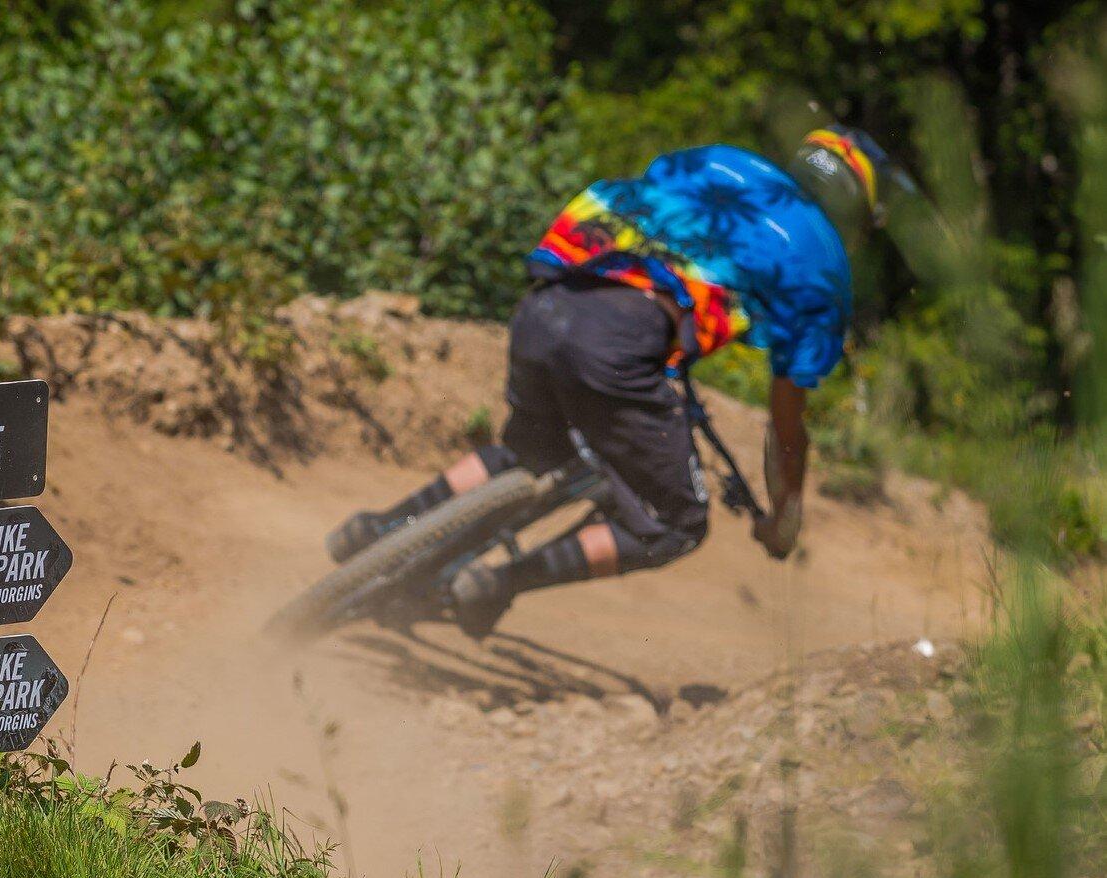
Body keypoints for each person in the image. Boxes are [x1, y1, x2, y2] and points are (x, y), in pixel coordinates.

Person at [326, 125, 914, 638]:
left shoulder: (718, 161)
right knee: (675, 523)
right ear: (856, 214)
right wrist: (783, 519)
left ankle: (382, 528)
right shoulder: (824, 264)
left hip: (547, 303)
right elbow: (786, 426)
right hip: (620, 343)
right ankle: (498, 582)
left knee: (527, 451)